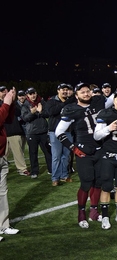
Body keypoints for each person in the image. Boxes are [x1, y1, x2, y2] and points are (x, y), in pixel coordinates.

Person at [55, 82, 116, 228]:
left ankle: (94, 212)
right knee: (87, 182)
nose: (86, 94)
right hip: (84, 150)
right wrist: (73, 148)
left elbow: (115, 98)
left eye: (87, 91)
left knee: (98, 182)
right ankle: (81, 213)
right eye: (82, 92)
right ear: (76, 95)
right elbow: (59, 132)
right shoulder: (71, 109)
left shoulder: (97, 102)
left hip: (100, 148)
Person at [94, 90, 117, 229]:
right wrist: (108, 129)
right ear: (114, 101)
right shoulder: (105, 113)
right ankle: (104, 216)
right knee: (106, 186)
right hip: (108, 155)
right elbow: (96, 136)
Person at [0, 87, 20, 241]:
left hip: (1, 155)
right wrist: (6, 103)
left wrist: (11, 103)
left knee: (2, 193)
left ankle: (4, 225)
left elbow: (8, 119)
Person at [21, 87, 52, 179]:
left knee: (47, 151)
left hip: (43, 131)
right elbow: (25, 118)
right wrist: (32, 113)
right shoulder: (25, 105)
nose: (33, 95)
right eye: (30, 94)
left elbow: (48, 114)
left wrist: (41, 111)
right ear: (27, 95)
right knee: (33, 153)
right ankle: (34, 171)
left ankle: (51, 169)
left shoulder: (42, 102)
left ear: (36, 93)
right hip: (32, 133)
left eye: (34, 93)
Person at [46, 83, 74, 186]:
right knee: (56, 156)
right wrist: (65, 103)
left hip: (68, 131)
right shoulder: (51, 101)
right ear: (58, 91)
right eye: (63, 89)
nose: (65, 91)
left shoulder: (71, 102)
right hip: (55, 132)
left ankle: (64, 175)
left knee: (66, 155)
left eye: (66, 89)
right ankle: (55, 177)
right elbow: (51, 111)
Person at [5, 90, 30, 176]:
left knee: (18, 152)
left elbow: (18, 113)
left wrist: (12, 102)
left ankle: (22, 169)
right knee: (3, 153)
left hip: (14, 131)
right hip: (4, 133)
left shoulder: (16, 105)